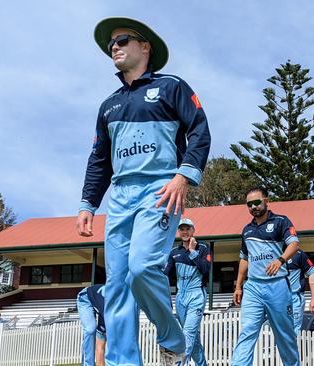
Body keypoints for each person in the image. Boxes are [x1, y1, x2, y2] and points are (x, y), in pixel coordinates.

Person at [76, 17, 211, 366]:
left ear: (145, 47)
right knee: (117, 287)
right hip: (121, 196)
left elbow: (199, 130)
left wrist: (184, 176)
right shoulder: (108, 105)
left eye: (121, 40)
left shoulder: (171, 87)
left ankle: (172, 340)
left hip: (161, 189)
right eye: (110, 46)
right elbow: (99, 160)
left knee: (141, 268)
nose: (114, 47)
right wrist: (88, 204)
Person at [230, 187, 301, 366]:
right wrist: (238, 286)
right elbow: (244, 259)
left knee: (285, 335)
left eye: (256, 202)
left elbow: (294, 244)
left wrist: (281, 260)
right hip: (253, 287)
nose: (253, 207)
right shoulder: (246, 230)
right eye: (249, 204)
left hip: (277, 286)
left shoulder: (280, 221)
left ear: (266, 201)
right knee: (247, 331)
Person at [164, 218, 211, 366]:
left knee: (188, 335)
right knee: (192, 337)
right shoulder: (174, 252)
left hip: (196, 294)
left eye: (188, 229)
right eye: (182, 229)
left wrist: (192, 252)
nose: (185, 232)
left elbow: (206, 269)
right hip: (180, 297)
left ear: (193, 230)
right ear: (179, 232)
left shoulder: (203, 248)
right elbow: (165, 275)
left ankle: (179, 364)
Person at [287, 249, 314, 334]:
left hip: (295, 298)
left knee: (293, 330)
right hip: (277, 298)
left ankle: (292, 346)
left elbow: (312, 274)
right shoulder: (273, 251)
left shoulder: (298, 254)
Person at [77, 284, 106, 366]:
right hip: (85, 297)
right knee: (90, 329)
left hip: (98, 300)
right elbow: (100, 343)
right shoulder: (106, 309)